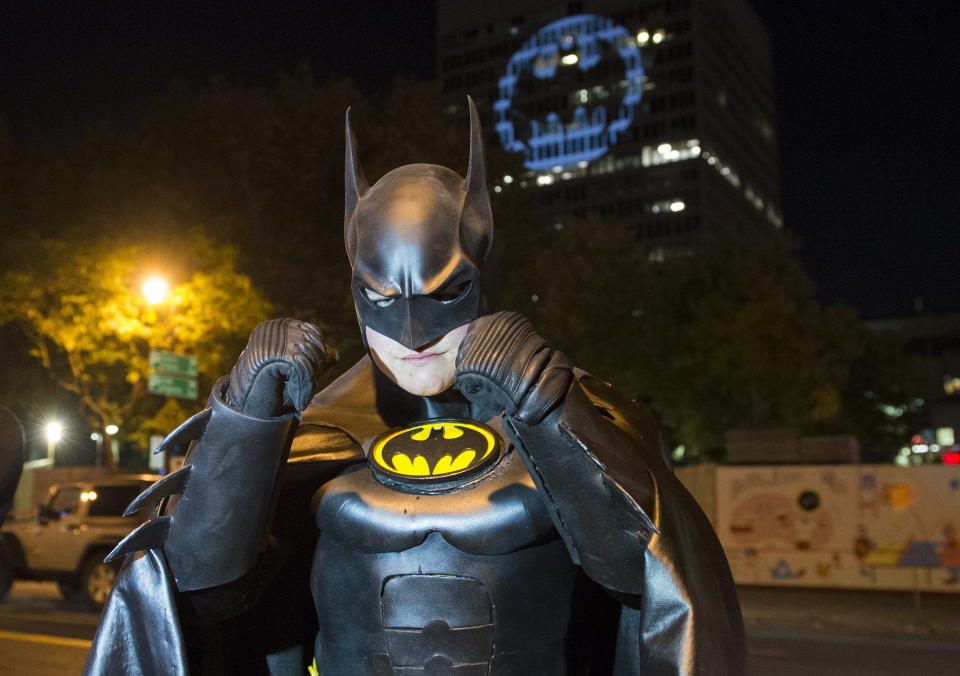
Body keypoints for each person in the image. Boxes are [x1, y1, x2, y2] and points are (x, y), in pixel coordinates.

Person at [84, 98, 745, 675]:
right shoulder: (316, 429)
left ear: (483, 277)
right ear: (354, 291)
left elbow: (651, 579)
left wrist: (546, 406)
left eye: (447, 292)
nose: (411, 330)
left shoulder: (566, 407)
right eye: (378, 297)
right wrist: (245, 424)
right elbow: (200, 595)